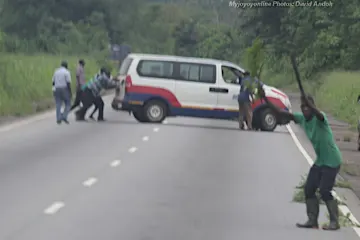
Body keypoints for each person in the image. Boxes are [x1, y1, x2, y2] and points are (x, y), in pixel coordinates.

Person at [258, 86, 342, 230]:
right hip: (321, 161)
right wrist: (264, 98)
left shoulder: (320, 118)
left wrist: (312, 106)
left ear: (312, 107)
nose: (304, 110)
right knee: (309, 189)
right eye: (303, 107)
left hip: (332, 160)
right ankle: (312, 220)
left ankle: (335, 221)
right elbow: (280, 112)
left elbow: (319, 114)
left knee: (324, 191)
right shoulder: (302, 119)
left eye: (307, 107)